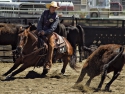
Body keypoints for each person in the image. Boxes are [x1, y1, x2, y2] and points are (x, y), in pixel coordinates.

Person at [37, 1, 60, 72]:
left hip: (49, 33)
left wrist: (45, 32)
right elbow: (40, 22)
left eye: (55, 8)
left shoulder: (56, 17)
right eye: (52, 7)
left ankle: (48, 63)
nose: (53, 9)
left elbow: (53, 28)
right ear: (50, 7)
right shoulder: (44, 13)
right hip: (40, 30)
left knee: (51, 45)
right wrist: (40, 30)